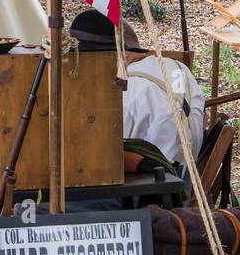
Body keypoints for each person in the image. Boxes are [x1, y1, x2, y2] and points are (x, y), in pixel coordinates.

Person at [69, 10, 205, 171]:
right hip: (187, 173)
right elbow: (204, 118)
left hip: (155, 186)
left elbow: (107, 152)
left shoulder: (126, 90)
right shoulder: (175, 66)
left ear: (111, 54)